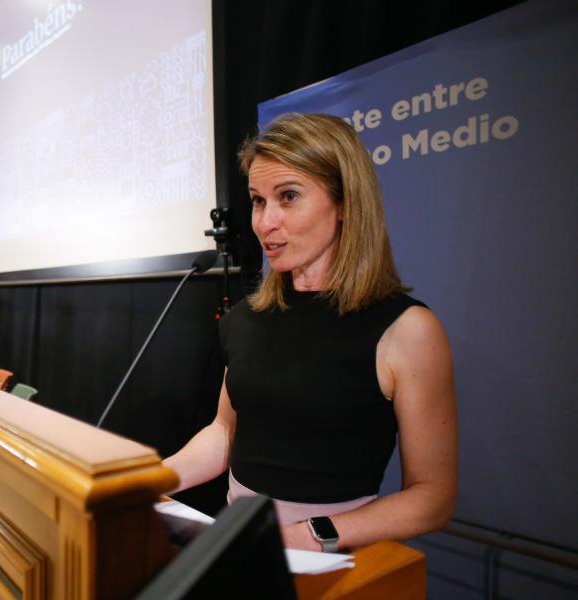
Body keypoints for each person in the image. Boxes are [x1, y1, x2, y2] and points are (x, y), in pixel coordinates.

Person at [164, 113, 457, 552]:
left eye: (289, 197)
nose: (265, 222)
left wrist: (305, 537)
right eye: (258, 200)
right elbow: (225, 432)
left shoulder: (407, 332)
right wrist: (149, 480)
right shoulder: (244, 319)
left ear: (345, 204)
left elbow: (432, 498)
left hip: (332, 557)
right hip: (242, 544)